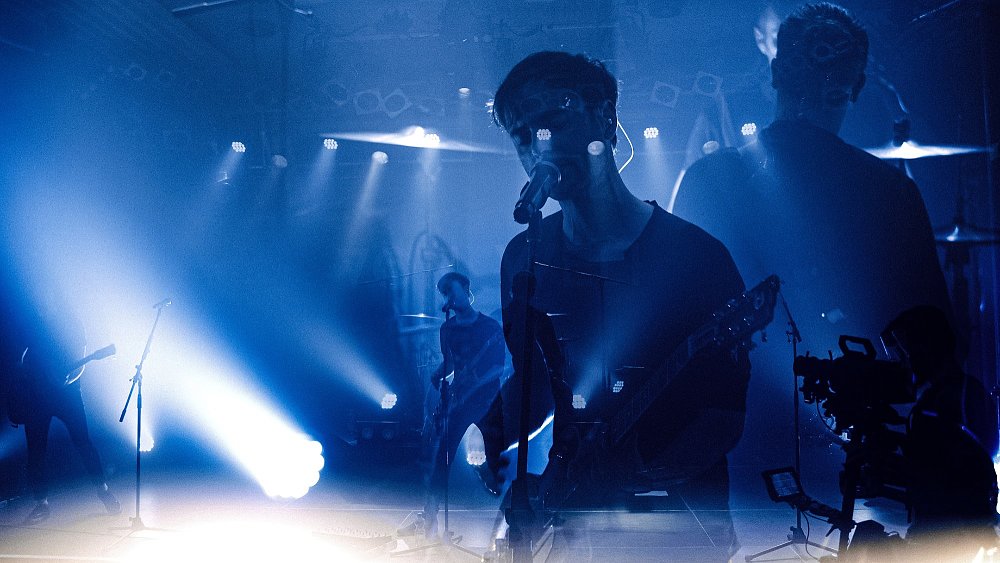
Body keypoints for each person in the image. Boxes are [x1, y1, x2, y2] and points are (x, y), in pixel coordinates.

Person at [486, 50, 750, 557]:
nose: (538, 144)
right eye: (522, 135)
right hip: (571, 531)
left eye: (553, 122)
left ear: (605, 118)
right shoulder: (524, 258)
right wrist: (491, 432)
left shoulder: (696, 257)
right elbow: (537, 381)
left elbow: (722, 420)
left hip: (681, 534)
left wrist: (621, 479)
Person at [671, 3, 953, 468]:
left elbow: (676, 319)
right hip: (863, 447)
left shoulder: (706, 180)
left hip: (733, 444)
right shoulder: (892, 191)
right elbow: (934, 336)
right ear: (856, 86)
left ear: (774, 74)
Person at [881, 305, 998, 557]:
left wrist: (885, 467)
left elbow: (945, 471)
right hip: (949, 532)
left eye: (907, 352)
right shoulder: (953, 393)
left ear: (926, 349)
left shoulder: (952, 398)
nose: (904, 362)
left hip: (948, 538)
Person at [9, 289, 120, 525]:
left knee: (83, 441)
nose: (42, 306)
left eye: (46, 302)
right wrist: (21, 393)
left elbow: (81, 361)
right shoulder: (33, 324)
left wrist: (64, 381)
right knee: (36, 450)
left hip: (67, 394)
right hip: (37, 396)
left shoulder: (71, 324)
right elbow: (22, 358)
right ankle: (41, 504)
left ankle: (103, 490)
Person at [420, 272, 505, 537]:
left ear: (466, 290)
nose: (449, 297)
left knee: (497, 457)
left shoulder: (490, 327)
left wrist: (476, 380)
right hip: (461, 400)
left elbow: (498, 367)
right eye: (445, 294)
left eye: (452, 291)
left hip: (487, 400)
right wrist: (437, 375)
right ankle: (429, 515)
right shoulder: (447, 329)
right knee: (441, 455)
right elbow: (451, 364)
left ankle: (509, 515)